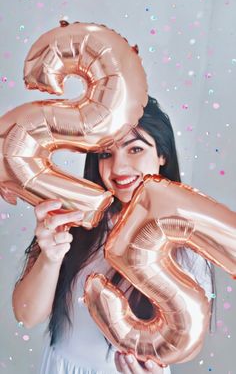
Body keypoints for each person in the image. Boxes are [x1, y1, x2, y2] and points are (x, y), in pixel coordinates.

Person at [12, 96, 215, 374]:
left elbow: (178, 345)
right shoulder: (74, 220)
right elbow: (27, 315)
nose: (118, 168)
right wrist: (50, 256)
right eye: (106, 154)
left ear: (162, 155)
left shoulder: (187, 246)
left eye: (135, 149)